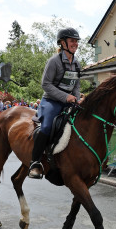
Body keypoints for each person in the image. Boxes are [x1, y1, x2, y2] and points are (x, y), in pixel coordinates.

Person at [29, 27, 82, 178]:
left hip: (69, 101)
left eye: (76, 41)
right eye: (72, 41)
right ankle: (35, 162)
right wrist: (66, 97)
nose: (75, 44)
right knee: (46, 126)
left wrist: (76, 98)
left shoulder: (77, 63)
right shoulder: (53, 61)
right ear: (63, 43)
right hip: (51, 100)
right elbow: (45, 84)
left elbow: (76, 85)